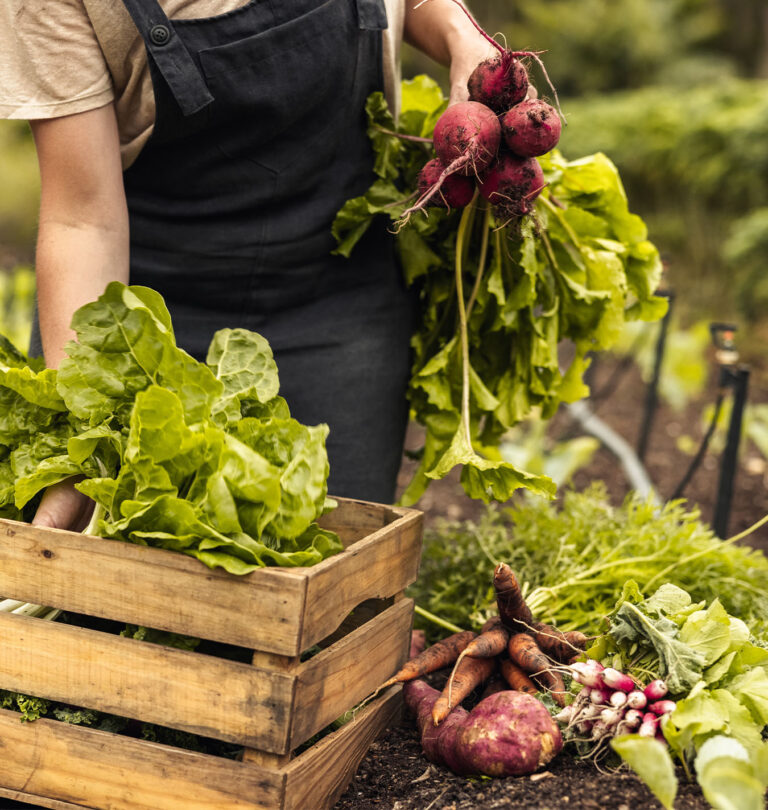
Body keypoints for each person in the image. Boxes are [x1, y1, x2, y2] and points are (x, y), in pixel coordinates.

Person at [0, 0, 492, 530]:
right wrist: (84, 430)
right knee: (109, 597)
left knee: (334, 584)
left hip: (343, 300)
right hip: (148, 331)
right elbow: (83, 221)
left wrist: (460, 37)